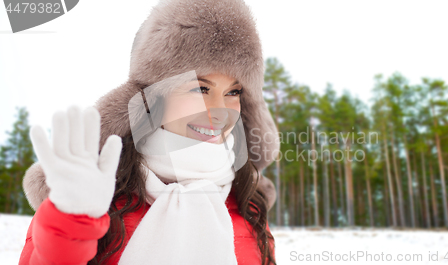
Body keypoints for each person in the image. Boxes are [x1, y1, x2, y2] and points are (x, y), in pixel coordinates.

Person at [19, 0, 280, 264]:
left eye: (233, 92)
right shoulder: (91, 197)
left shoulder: (250, 208)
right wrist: (70, 225)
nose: (219, 111)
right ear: (153, 98)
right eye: (201, 88)